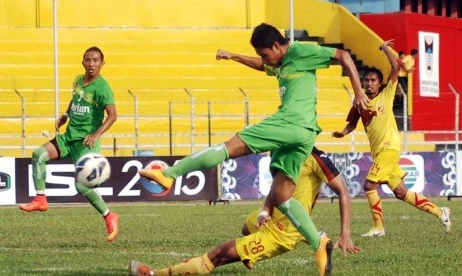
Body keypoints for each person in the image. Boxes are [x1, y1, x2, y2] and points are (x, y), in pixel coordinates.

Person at [139, 22, 368, 275]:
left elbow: (343, 55)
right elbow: (263, 66)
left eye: (265, 53)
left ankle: (170, 174)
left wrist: (357, 93)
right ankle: (318, 242)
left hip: (290, 122)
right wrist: (234, 56)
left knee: (229, 147)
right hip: (304, 135)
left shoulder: (300, 51)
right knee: (282, 196)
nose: (264, 59)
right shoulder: (279, 63)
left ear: (277, 45)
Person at [129, 147, 361, 276]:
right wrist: (264, 210)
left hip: (284, 231)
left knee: (219, 255)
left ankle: (153, 274)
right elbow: (276, 188)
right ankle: (246, 253)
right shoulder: (282, 154)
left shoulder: (316, 158)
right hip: (272, 218)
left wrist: (345, 233)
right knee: (246, 226)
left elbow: (343, 192)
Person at [332, 40, 451, 237]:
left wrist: (384, 48)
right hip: (380, 152)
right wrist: (343, 133)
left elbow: (396, 66)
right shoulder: (359, 103)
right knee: (401, 193)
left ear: (380, 84)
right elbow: (352, 123)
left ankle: (378, 227)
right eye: (366, 80)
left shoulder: (387, 95)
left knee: (369, 185)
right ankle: (441, 212)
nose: (369, 83)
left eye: (373, 80)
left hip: (389, 148)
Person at [19, 46, 120, 242]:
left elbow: (113, 116)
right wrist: (66, 114)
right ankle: (41, 199)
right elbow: (75, 101)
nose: (91, 64)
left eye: (96, 60)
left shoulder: (102, 88)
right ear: (82, 62)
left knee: (82, 188)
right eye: (88, 60)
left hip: (85, 143)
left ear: (102, 64)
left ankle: (109, 216)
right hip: (68, 137)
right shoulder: (78, 80)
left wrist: (96, 134)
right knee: (38, 154)